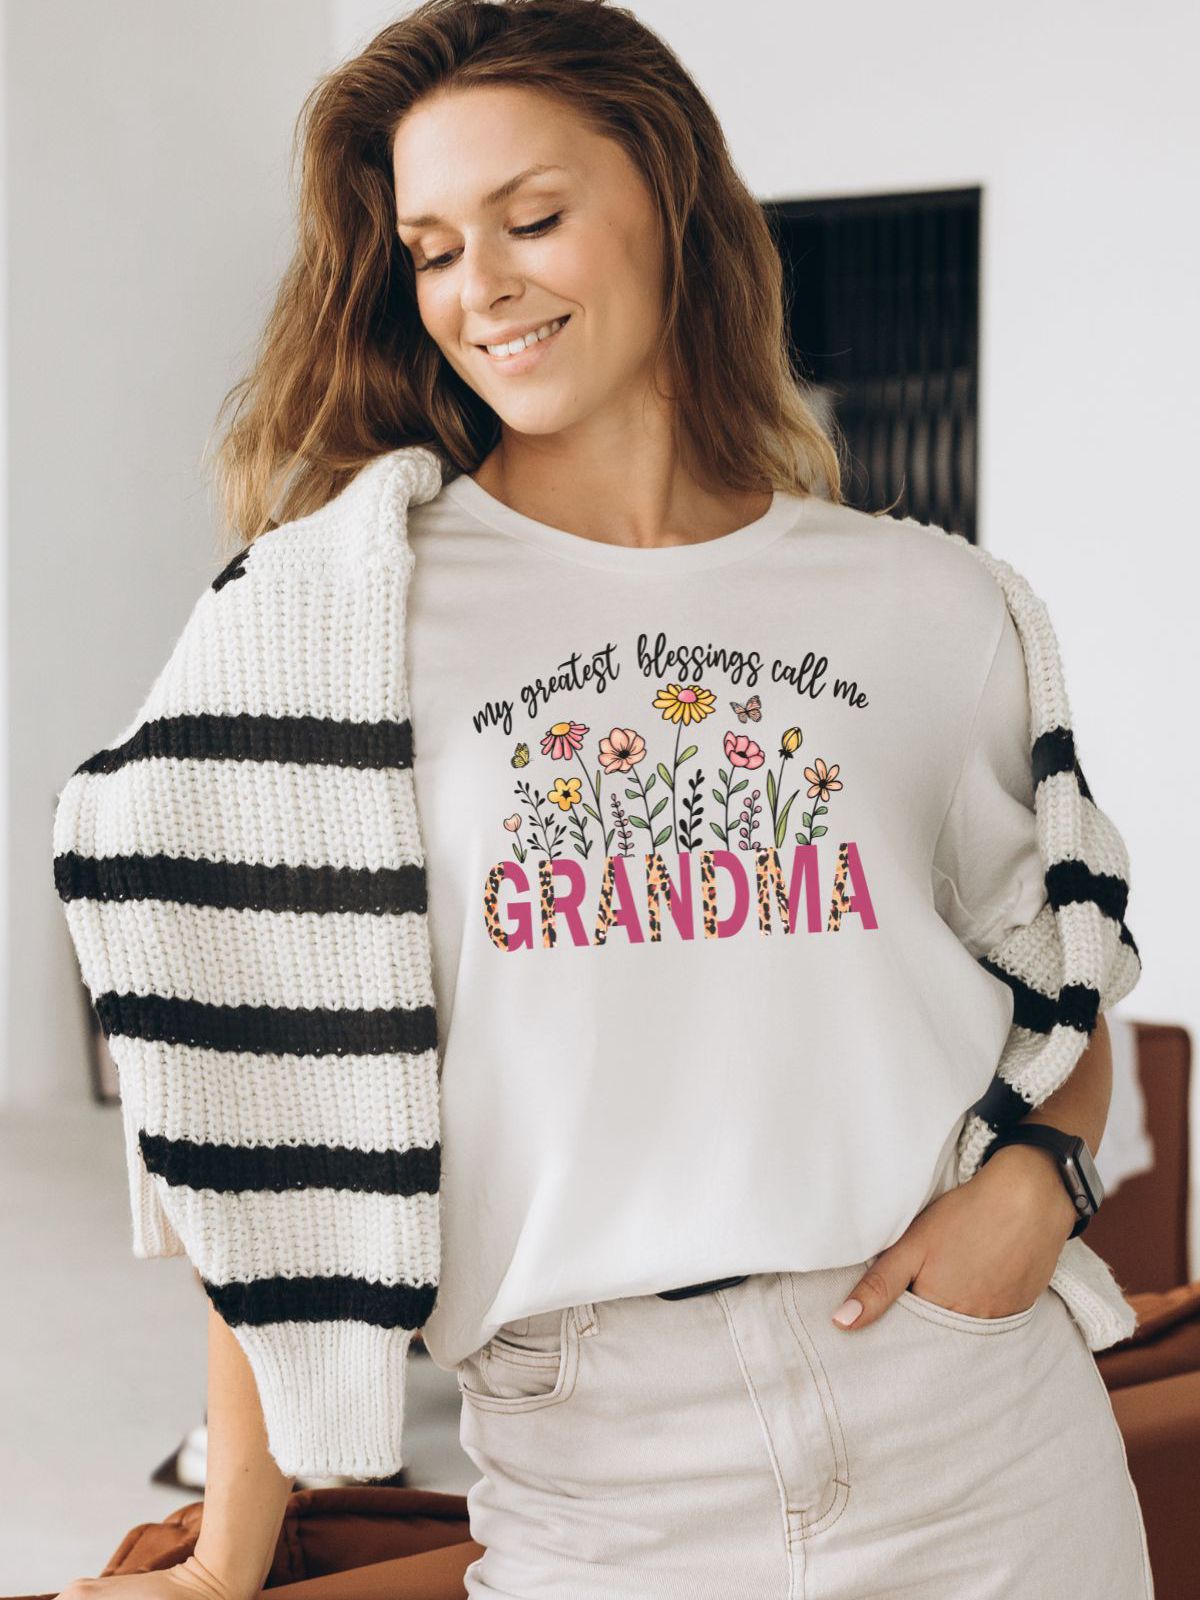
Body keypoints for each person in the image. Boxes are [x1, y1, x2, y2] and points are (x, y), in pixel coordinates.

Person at [51, 2, 1151, 1597]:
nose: (480, 287)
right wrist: (228, 1558)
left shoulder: (929, 605)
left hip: (979, 1432)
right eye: (434, 249)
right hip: (601, 1482)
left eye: (534, 218)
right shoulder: (326, 627)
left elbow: (1060, 983)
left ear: (672, 201)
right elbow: (254, 1112)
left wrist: (1037, 1192)